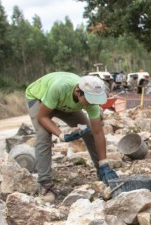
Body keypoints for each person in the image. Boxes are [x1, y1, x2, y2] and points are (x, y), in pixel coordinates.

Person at [25, 72, 119, 202]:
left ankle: (101, 174)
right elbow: (43, 117)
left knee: (88, 131)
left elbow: (98, 132)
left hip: (66, 105)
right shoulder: (59, 87)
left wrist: (104, 164)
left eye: (95, 100)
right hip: (39, 99)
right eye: (90, 100)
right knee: (43, 135)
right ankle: (45, 184)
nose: (92, 104)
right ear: (78, 91)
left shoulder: (90, 102)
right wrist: (61, 135)